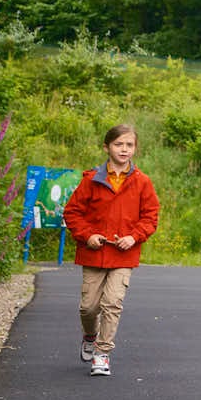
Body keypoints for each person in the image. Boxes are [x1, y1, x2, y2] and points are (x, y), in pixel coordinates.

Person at [62, 124, 161, 377]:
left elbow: (150, 217)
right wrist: (88, 235)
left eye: (129, 145)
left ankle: (102, 353)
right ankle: (90, 336)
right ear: (107, 147)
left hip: (124, 255)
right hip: (94, 253)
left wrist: (133, 237)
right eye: (119, 144)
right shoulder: (91, 180)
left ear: (135, 148)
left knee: (112, 303)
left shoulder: (142, 182)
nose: (124, 149)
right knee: (88, 307)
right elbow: (72, 213)